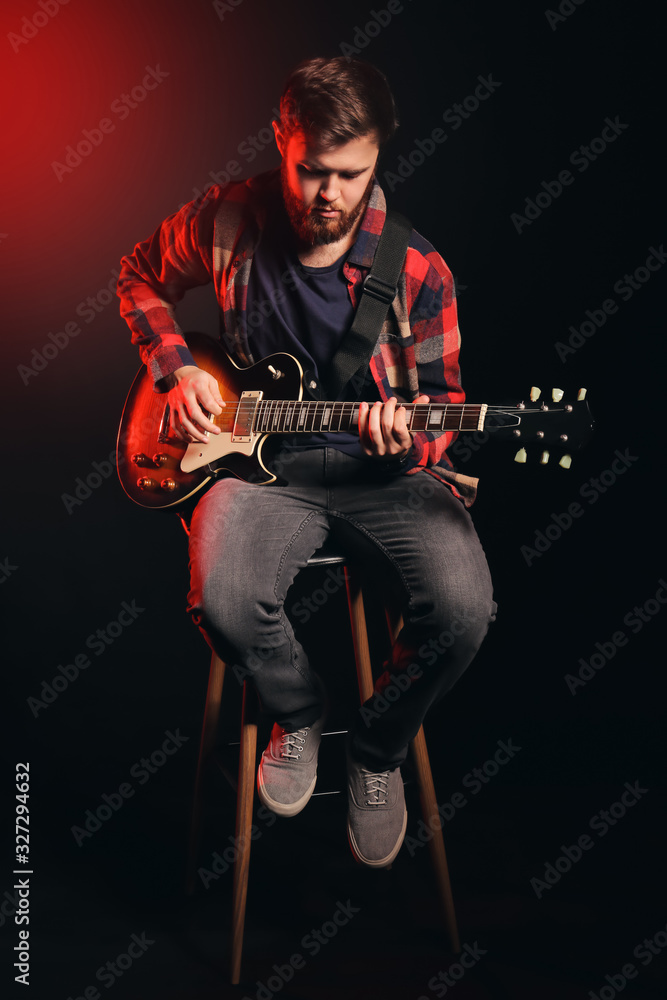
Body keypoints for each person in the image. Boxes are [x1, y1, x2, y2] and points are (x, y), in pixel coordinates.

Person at [117, 56, 496, 869]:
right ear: (279, 142)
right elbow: (138, 274)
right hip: (260, 473)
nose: (329, 194)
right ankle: (299, 712)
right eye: (311, 171)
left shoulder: (418, 270)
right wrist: (176, 365)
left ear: (377, 162)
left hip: (383, 479)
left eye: (350, 175)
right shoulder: (227, 219)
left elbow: (442, 407)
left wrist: (415, 436)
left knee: (464, 611)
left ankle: (376, 748)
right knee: (221, 596)